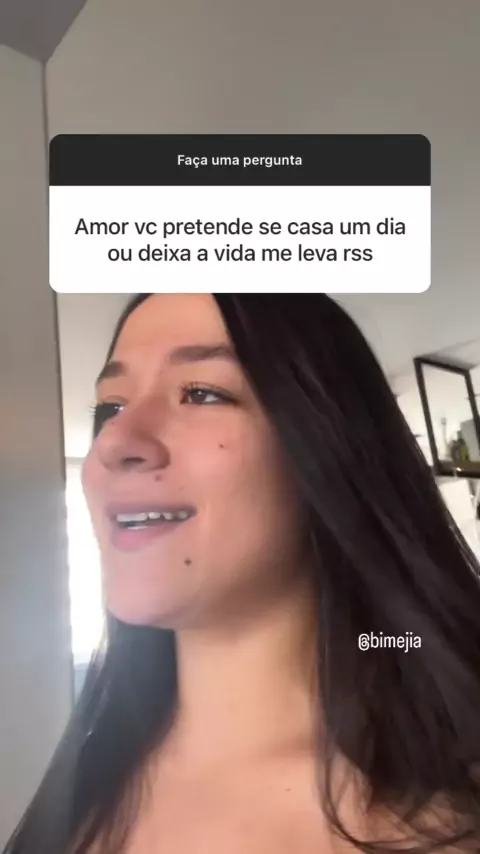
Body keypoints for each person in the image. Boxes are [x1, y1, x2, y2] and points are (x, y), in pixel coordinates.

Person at [5, 294, 480, 854]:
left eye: (201, 393)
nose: (115, 440)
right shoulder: (79, 786)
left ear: (326, 447)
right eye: (110, 406)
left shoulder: (446, 824)